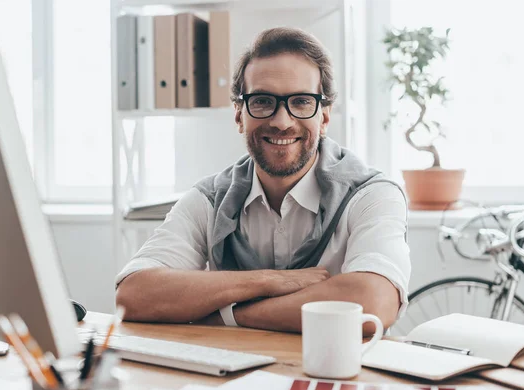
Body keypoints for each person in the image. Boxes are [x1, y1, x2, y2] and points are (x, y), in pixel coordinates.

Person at [115, 27, 410, 335]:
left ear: (323, 117)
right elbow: (133, 294)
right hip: (234, 378)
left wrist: (229, 316)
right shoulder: (209, 198)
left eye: (300, 101)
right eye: (262, 101)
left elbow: (373, 301)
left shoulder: (372, 195)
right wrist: (272, 280)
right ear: (239, 114)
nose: (282, 121)